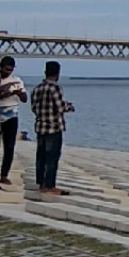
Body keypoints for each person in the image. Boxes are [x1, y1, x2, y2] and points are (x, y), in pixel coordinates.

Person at [30, 60, 75, 195]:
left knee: (41, 157)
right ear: (57, 74)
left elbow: (34, 108)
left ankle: (41, 184)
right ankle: (50, 185)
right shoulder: (55, 88)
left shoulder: (36, 89)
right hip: (54, 127)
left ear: (45, 72)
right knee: (52, 157)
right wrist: (69, 106)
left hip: (40, 127)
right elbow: (60, 107)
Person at [0, 56, 26, 185]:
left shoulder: (17, 80)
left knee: (9, 147)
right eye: (6, 69)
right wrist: (8, 93)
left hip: (12, 116)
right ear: (1, 67)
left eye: (11, 70)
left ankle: (4, 175)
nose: (8, 72)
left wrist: (19, 93)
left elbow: (24, 99)